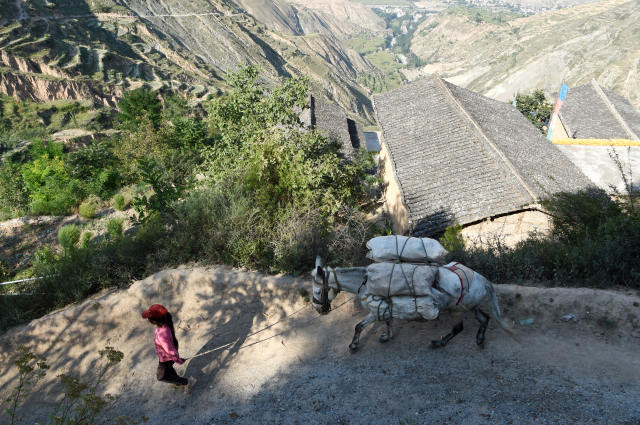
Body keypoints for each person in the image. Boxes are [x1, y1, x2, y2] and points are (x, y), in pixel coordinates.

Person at [141, 304, 188, 386]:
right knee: (169, 370)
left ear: (154, 321)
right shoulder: (162, 327)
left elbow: (170, 350)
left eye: (149, 318)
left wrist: (178, 360)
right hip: (164, 357)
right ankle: (178, 383)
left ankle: (184, 382)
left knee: (161, 377)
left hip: (166, 359)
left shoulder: (162, 333)